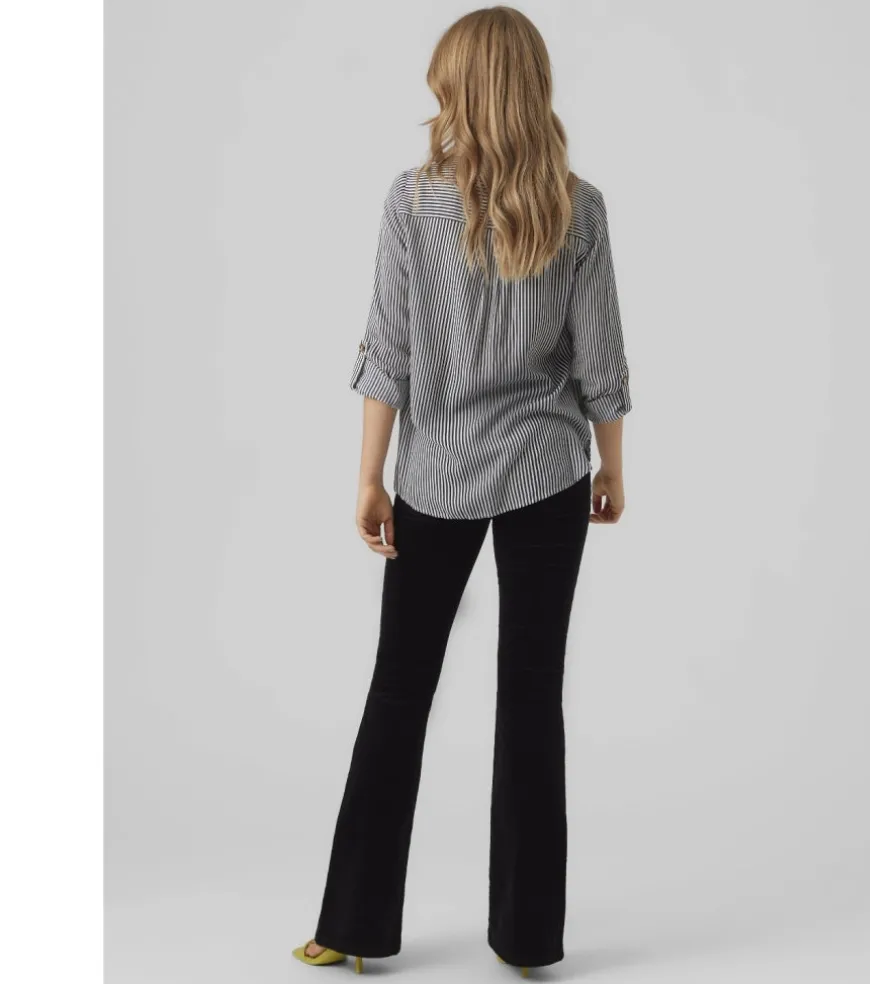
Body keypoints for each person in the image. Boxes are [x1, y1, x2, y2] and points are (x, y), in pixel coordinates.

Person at [293, 5, 631, 976]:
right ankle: (527, 941)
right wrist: (612, 465)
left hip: (435, 474)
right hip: (548, 472)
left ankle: (351, 928)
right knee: (532, 695)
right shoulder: (579, 208)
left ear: (461, 89)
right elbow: (600, 360)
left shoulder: (411, 202)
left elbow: (388, 351)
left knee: (399, 688)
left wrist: (369, 476)